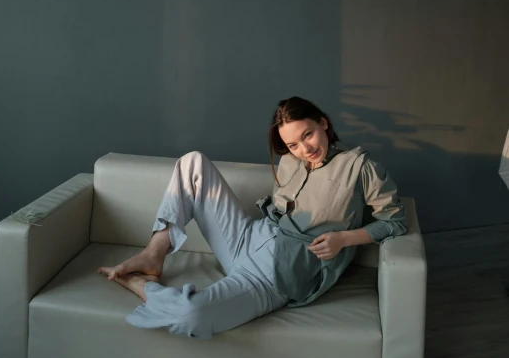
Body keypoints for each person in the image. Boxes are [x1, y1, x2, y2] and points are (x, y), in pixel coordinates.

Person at [97, 96, 408, 339]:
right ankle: (153, 255)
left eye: (308, 134)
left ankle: (142, 286)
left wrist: (345, 238)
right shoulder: (289, 162)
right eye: (293, 144)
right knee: (193, 162)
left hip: (276, 274)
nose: (304, 148)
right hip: (248, 237)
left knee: (192, 315)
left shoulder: (361, 167)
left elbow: (395, 222)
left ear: (323, 123)